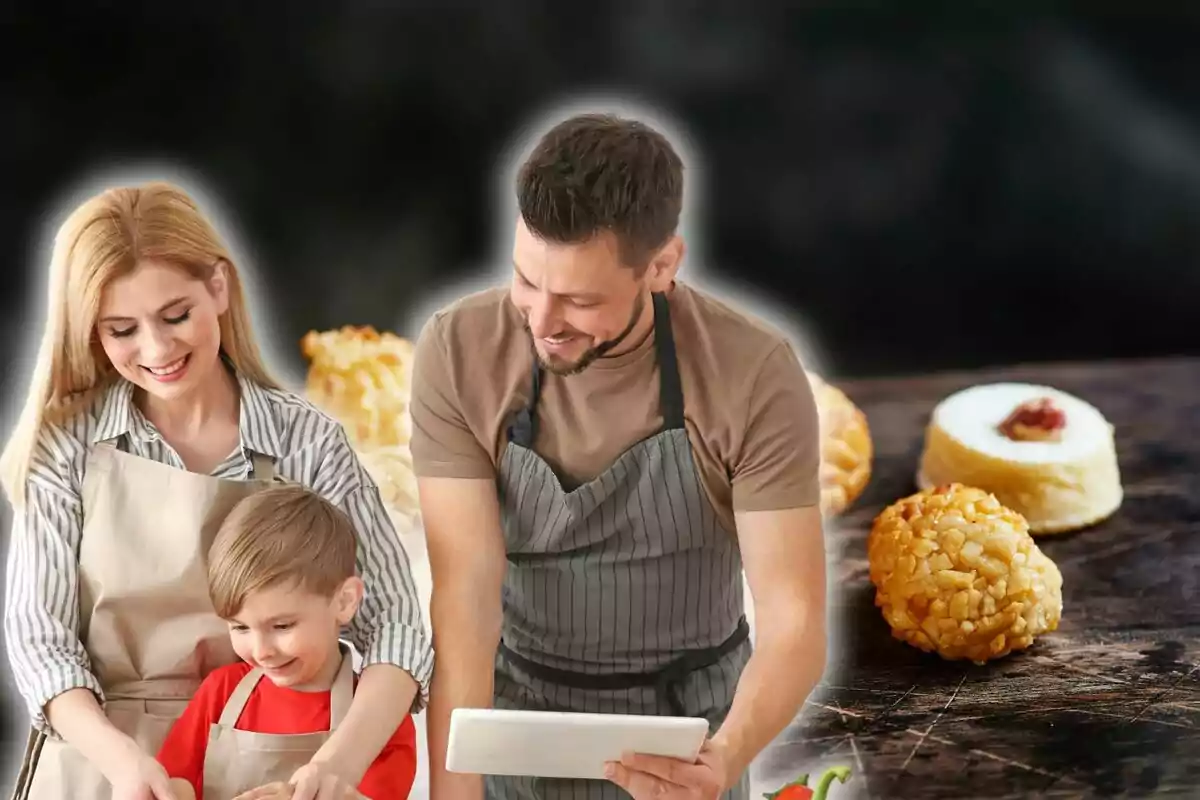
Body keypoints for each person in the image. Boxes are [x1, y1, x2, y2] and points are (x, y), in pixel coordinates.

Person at [410, 112, 828, 800]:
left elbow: (795, 620)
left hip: (690, 731)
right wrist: (454, 796)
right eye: (525, 281)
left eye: (577, 300)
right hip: (518, 728)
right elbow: (466, 602)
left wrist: (722, 758)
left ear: (661, 266)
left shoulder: (753, 372)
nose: (541, 323)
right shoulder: (458, 353)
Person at [2, 181, 433, 800]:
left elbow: (395, 624)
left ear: (220, 288)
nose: (157, 349)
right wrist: (124, 765)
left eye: (176, 315)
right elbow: (40, 641)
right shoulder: (67, 444)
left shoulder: (302, 440)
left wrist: (338, 765)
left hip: (272, 756)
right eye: (122, 330)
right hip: (98, 761)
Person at [156, 483, 418, 800]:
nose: (261, 651)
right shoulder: (220, 692)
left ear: (345, 601)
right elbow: (178, 782)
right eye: (240, 628)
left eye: (282, 625)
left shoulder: (381, 722)